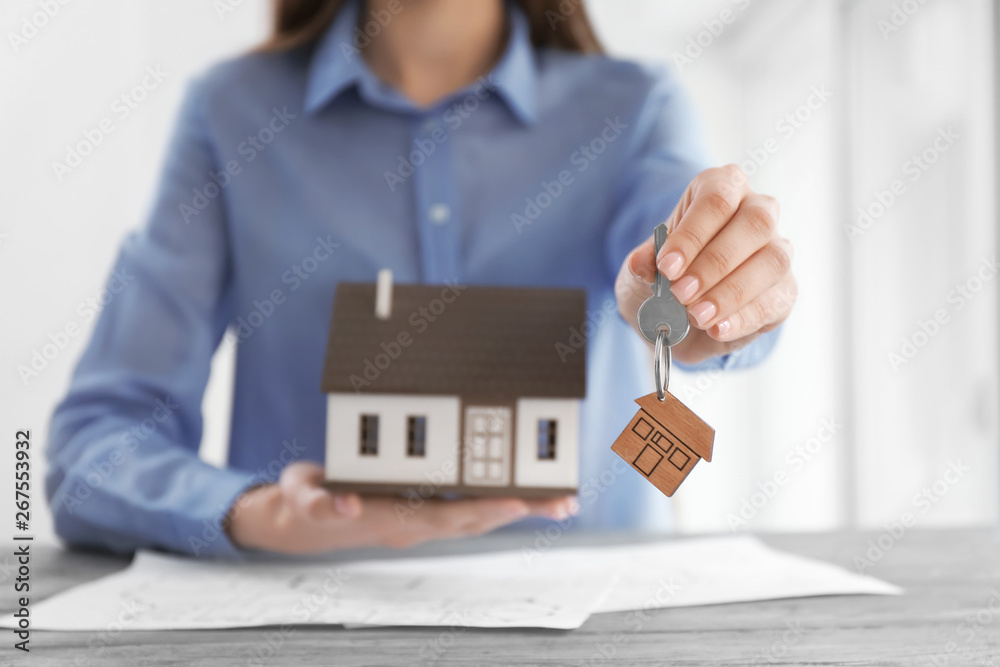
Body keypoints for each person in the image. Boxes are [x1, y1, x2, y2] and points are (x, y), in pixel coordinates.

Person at [45, 0, 796, 557]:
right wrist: (256, 513)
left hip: (593, 626)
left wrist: (696, 295)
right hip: (308, 626)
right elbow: (93, 450)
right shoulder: (230, 112)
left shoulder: (635, 109)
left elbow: (669, 259)